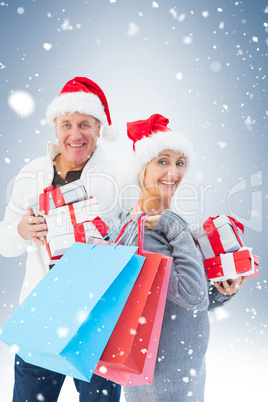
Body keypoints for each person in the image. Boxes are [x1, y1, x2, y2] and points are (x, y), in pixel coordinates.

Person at [0, 77, 130, 401]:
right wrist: (21, 231)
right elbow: (4, 243)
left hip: (97, 321)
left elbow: (141, 237)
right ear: (55, 128)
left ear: (99, 128)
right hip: (40, 315)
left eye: (85, 124)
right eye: (67, 124)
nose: (75, 135)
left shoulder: (121, 178)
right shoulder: (29, 175)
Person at [122, 114, 247, 402]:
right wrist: (177, 226)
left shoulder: (162, 224)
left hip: (180, 371)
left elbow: (185, 302)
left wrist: (222, 289)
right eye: (162, 161)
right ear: (142, 167)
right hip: (164, 380)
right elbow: (192, 297)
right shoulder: (151, 230)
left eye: (180, 163)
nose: (173, 173)